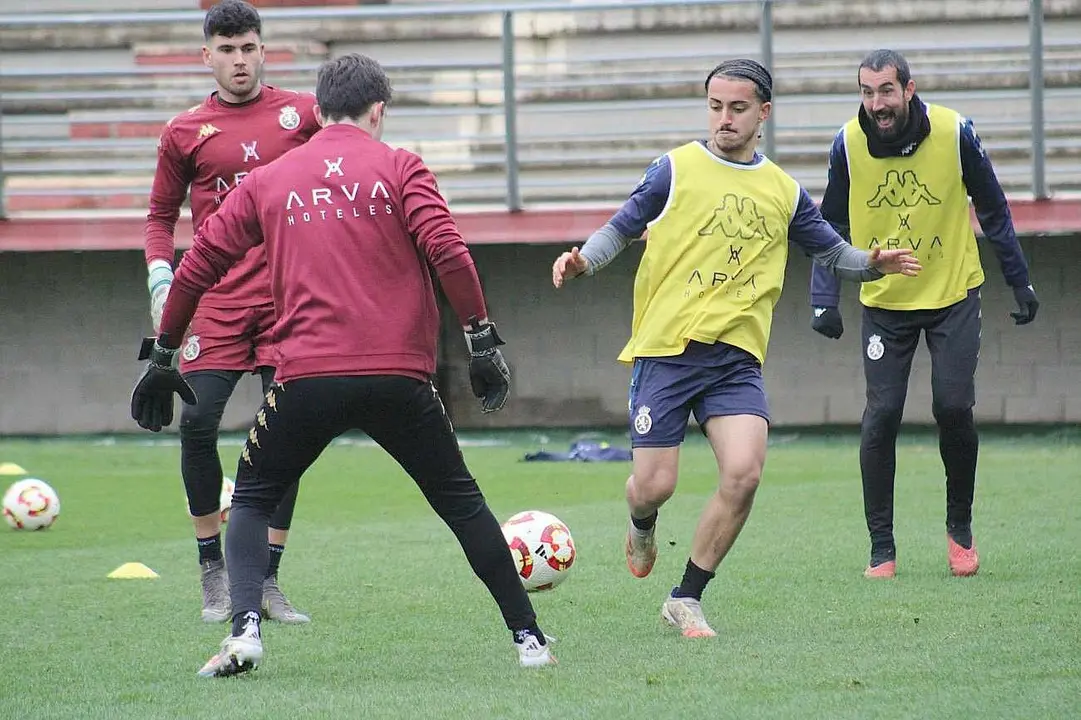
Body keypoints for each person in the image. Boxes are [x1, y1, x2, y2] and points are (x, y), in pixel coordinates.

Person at [130, 52, 556, 675]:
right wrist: (482, 340)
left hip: (305, 378)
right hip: (400, 379)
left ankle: (244, 631)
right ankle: (530, 641)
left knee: (250, 495)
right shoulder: (401, 166)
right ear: (378, 110)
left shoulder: (270, 179)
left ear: (318, 111)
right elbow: (450, 253)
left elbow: (196, 267)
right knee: (461, 503)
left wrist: (165, 351)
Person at [551, 59, 921, 637]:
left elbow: (833, 253)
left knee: (744, 474)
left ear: (763, 113)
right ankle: (641, 519)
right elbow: (622, 227)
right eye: (716, 107)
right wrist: (583, 261)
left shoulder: (783, 191)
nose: (725, 119)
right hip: (668, 352)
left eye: (738, 108)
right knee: (656, 485)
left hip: (734, 361)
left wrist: (872, 264)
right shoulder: (674, 169)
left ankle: (686, 597)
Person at [808, 49, 1039, 580]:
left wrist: (1018, 277)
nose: (876, 104)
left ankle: (959, 531)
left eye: (886, 91)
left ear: (909, 90)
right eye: (866, 93)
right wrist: (825, 295)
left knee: (953, 407)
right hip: (885, 303)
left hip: (953, 294)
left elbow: (993, 206)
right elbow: (830, 222)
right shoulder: (848, 142)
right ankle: (881, 548)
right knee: (881, 415)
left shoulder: (955, 132)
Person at [144, 0, 319, 623]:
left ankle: (267, 580)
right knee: (197, 423)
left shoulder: (304, 115)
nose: (238, 60)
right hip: (215, 300)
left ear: (263, 49)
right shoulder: (185, 131)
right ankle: (211, 569)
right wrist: (162, 278)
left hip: (287, 298)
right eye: (227, 49)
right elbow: (161, 218)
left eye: (248, 47)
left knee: (290, 429)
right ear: (207, 55)